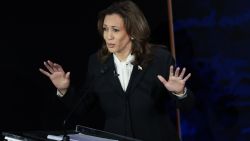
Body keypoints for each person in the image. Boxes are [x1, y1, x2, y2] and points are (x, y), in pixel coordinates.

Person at [39, 0, 194, 141]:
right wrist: (64, 89)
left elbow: (188, 107)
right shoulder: (97, 62)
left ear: (132, 32)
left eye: (115, 30)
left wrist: (180, 93)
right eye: (105, 29)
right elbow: (81, 107)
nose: (108, 36)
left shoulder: (159, 59)